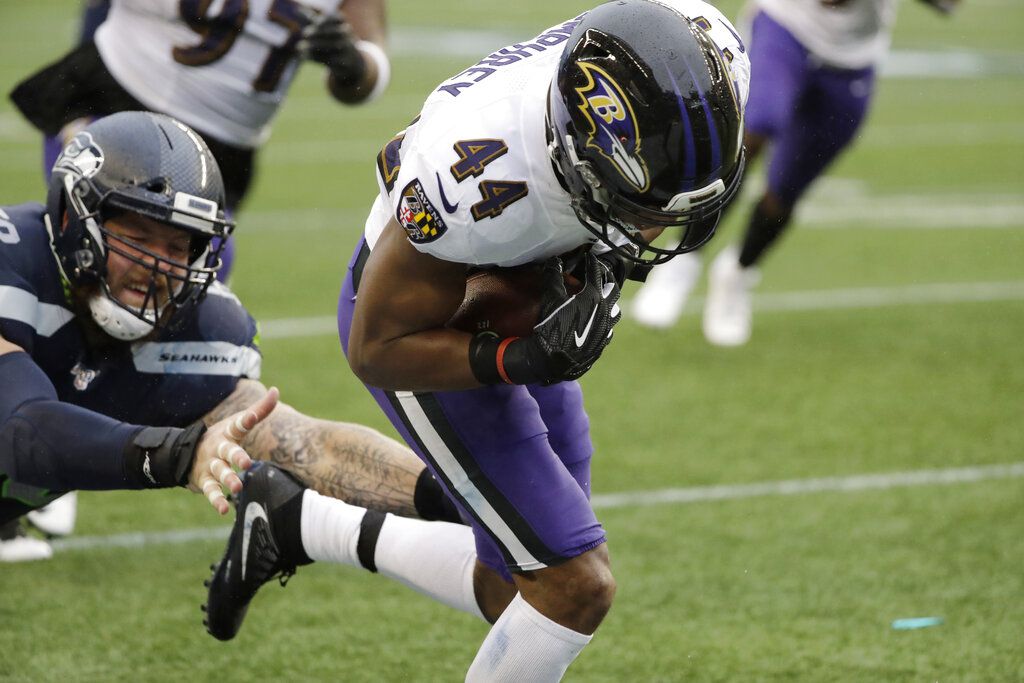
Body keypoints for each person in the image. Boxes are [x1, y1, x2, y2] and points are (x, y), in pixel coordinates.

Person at [202, 1, 749, 679]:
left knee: (515, 586)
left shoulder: (706, 48)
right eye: (640, 211)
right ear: (574, 153)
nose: (651, 230)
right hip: (435, 321)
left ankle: (298, 521)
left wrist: (588, 262)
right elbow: (376, 346)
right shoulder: (474, 176)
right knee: (572, 585)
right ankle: (297, 518)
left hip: (526, 263)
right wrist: (517, 356)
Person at [0, 112, 460, 561]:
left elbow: (309, 447)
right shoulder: (12, 263)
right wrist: (177, 456)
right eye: (138, 238)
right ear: (71, 222)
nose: (159, 267)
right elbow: (21, 430)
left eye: (179, 248)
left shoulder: (200, 326)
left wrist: (458, 499)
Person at [631, 0, 959, 345]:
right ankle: (683, 258)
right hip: (786, 24)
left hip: (852, 57)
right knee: (751, 134)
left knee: (787, 190)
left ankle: (737, 273)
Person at [9, 0, 391, 281]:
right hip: (116, 99)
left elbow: (371, 64)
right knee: (103, 264)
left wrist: (352, 63)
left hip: (219, 148)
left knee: (187, 287)